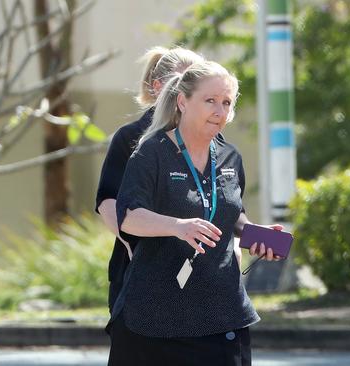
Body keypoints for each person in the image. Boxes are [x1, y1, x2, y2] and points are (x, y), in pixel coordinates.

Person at [107, 61, 281, 365]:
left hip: (221, 312)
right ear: (183, 102)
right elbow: (128, 216)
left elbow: (231, 214)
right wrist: (178, 226)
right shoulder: (151, 152)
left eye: (226, 102)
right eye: (210, 100)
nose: (219, 110)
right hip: (154, 318)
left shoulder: (230, 157)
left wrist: (257, 235)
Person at [95, 47, 204, 315]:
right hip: (139, 271)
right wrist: (131, 244)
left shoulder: (214, 141)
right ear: (157, 87)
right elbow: (109, 202)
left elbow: (230, 210)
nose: (186, 94)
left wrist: (251, 238)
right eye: (180, 84)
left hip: (201, 277)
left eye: (195, 85)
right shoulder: (131, 138)